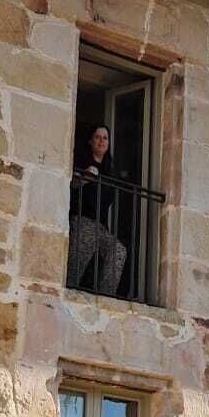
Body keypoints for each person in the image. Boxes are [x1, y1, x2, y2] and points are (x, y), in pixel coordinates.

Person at [67, 125, 129, 295]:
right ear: (90, 140)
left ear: (108, 144)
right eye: (97, 137)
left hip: (101, 227)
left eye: (105, 138)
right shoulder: (81, 162)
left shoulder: (110, 171)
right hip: (82, 221)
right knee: (76, 264)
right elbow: (71, 183)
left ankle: (105, 295)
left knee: (118, 250)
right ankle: (69, 289)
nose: (101, 141)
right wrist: (84, 177)